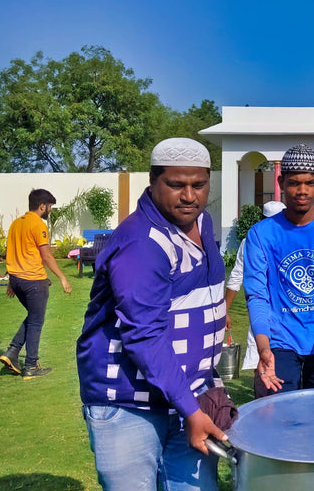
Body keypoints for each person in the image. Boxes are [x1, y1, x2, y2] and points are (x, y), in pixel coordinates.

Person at [76, 138, 228, 491]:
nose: (189, 196)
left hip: (186, 395)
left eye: (199, 185)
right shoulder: (142, 243)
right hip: (130, 403)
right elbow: (144, 336)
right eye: (176, 185)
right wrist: (192, 411)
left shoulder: (201, 223)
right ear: (153, 181)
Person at [243, 143, 314, 395]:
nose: (302, 191)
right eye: (294, 183)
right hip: (280, 342)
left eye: (309, 183)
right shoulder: (261, 234)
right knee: (281, 420)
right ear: (281, 181)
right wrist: (264, 347)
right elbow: (257, 294)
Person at [0, 189, 72, 379]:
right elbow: (46, 255)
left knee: (33, 317)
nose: (50, 210)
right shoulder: (38, 225)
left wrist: (11, 282)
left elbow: (14, 253)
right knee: (36, 322)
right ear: (42, 206)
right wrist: (62, 278)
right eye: (50, 207)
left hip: (17, 280)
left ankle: (12, 352)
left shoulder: (16, 224)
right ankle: (31, 366)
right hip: (33, 282)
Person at [222, 200, 286, 397]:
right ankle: (264, 403)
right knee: (260, 350)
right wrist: (224, 310)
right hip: (262, 307)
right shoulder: (251, 240)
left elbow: (235, 276)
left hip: (287, 308)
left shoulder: (291, 237)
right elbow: (237, 275)